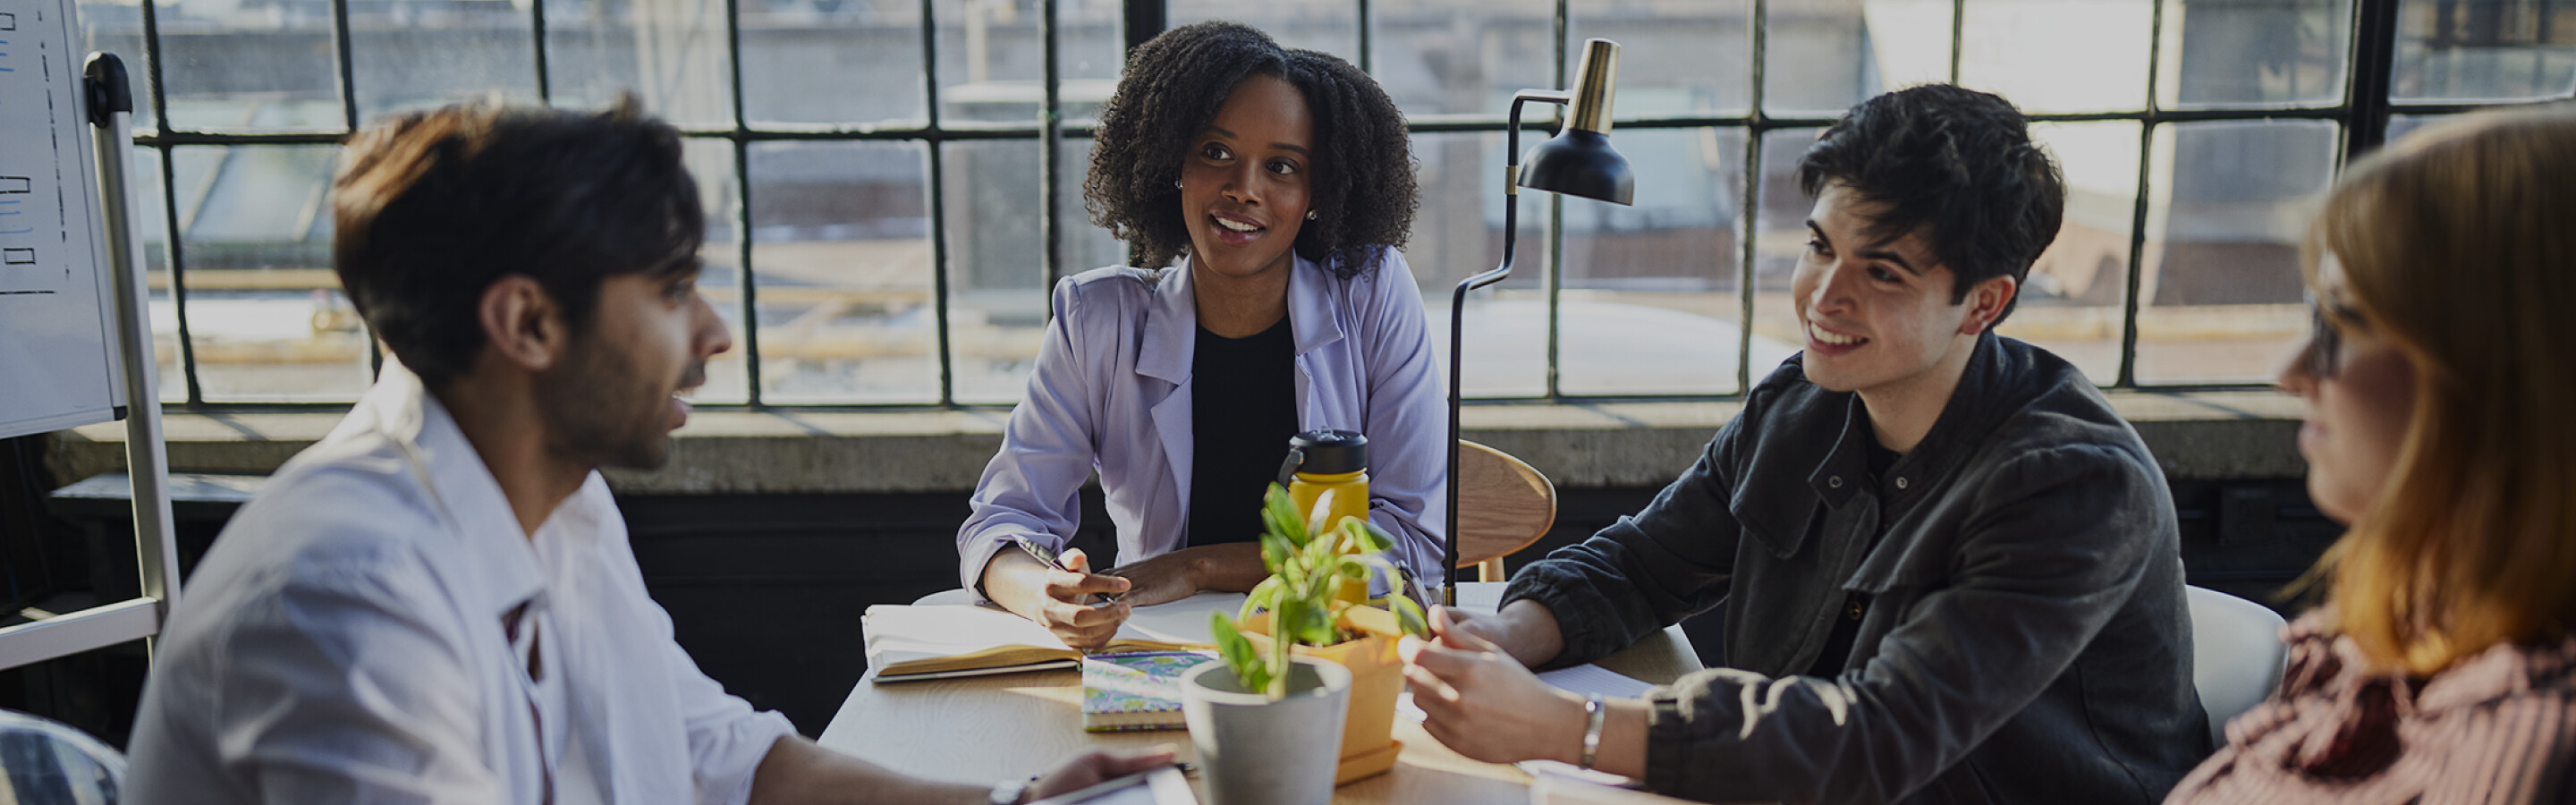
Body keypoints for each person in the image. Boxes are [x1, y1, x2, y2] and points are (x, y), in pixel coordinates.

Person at [123, 98, 1169, 805]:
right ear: (527, 324)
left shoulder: (554, 500)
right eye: (671, 292)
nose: (713, 334)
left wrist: (1013, 802)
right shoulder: (343, 603)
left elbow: (720, 756)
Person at [1399, 83, 2211, 804]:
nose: (1825, 296)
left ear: (1982, 304)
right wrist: (1508, 635)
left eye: (1883, 273)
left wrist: (1565, 728)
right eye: (1821, 247)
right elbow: (1642, 563)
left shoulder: (2070, 487)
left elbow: (1879, 739)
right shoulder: (1804, 405)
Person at [957, 20, 1444, 648]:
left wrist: (1194, 568)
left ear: (1318, 192)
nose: (1244, 189)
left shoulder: (1373, 292)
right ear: (1173, 163)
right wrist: (1042, 595)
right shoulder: (1096, 317)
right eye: (1216, 153)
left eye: (1282, 166)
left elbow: (1408, 541)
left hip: (1336, 640)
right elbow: (1001, 522)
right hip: (1161, 649)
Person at [2165, 108, 2576, 803]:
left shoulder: (2523, 748)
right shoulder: (2391, 637)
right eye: (2311, 314)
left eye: (2344, 320)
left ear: (2508, 375)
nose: (2288, 369)